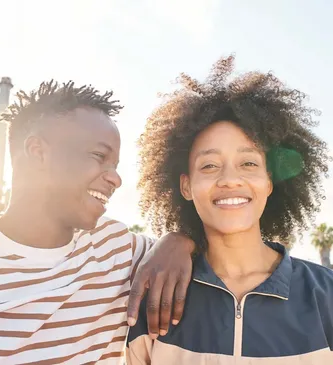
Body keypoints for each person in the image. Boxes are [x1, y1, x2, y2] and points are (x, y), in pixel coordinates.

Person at [0, 80, 195, 364]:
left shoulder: (118, 251)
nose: (115, 178)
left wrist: (178, 240)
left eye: (115, 166)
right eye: (99, 156)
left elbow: (221, 239)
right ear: (38, 152)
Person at [127, 55, 333, 364]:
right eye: (209, 165)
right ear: (186, 186)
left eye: (248, 163)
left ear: (269, 182)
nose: (229, 180)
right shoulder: (155, 297)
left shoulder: (326, 295)